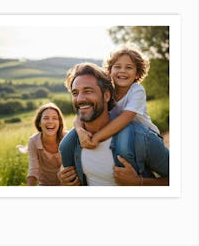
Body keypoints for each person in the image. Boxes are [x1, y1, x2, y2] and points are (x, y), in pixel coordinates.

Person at [59, 62, 169, 186]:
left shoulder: (142, 138)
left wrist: (139, 182)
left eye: (88, 91)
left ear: (106, 95)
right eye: (75, 93)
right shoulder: (73, 142)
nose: (80, 99)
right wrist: (65, 182)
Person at [73, 44, 168, 172]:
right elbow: (81, 114)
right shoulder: (107, 92)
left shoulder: (137, 90)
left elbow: (126, 118)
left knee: (122, 148)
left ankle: (139, 176)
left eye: (129, 67)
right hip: (122, 129)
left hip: (144, 135)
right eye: (117, 67)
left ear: (137, 74)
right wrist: (80, 130)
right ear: (109, 72)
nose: (122, 70)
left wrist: (97, 137)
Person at [27, 102, 67, 186]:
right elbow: (33, 169)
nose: (50, 121)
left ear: (59, 122)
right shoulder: (33, 142)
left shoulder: (67, 138)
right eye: (46, 118)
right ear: (39, 123)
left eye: (55, 118)